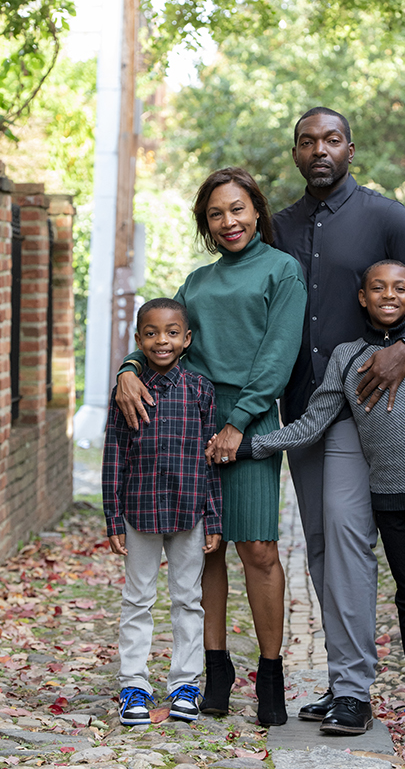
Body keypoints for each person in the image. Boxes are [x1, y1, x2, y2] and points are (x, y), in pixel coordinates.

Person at [212, 260, 405, 735]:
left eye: (400, 288)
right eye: (378, 288)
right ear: (362, 298)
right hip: (389, 496)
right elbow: (314, 422)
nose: (389, 296)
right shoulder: (346, 356)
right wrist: (253, 444)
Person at [268, 107, 405, 734]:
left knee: (348, 540)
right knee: (321, 547)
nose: (319, 149)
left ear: (350, 149)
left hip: (363, 407)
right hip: (303, 406)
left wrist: (404, 349)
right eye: (307, 141)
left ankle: (354, 690)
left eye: (331, 140)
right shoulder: (279, 228)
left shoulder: (384, 216)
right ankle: (341, 677)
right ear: (295, 153)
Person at [114, 168, 307, 727]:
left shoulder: (281, 270)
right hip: (188, 423)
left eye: (238, 209)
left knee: (259, 549)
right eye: (216, 214)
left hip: (247, 423)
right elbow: (159, 334)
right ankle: (213, 671)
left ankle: (270, 675)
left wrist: (241, 421)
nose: (229, 222)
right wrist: (128, 368)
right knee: (205, 552)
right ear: (205, 223)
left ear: (257, 210)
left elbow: (279, 353)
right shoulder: (197, 283)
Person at [102, 298, 222, 727]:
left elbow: (210, 458)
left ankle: (185, 684)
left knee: (188, 599)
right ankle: (133, 683)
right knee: (138, 599)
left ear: (186, 339)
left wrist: (214, 517)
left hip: (189, 510)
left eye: (172, 332)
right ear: (138, 340)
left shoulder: (200, 390)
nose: (161, 340)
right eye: (151, 333)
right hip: (139, 510)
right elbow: (113, 455)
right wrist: (113, 518)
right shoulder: (126, 391)